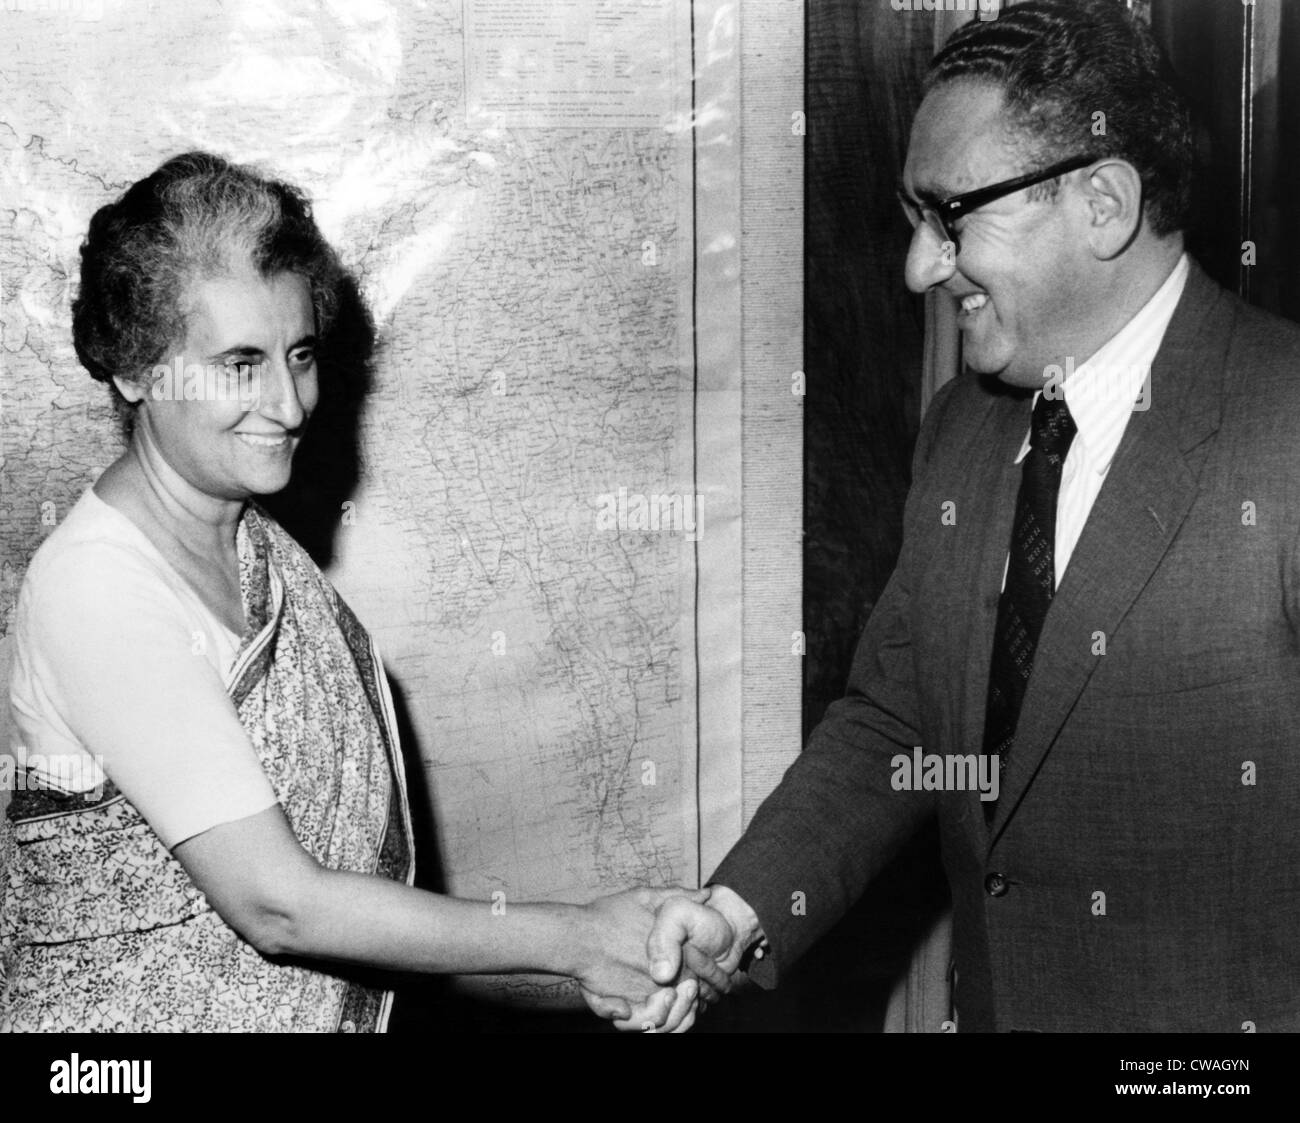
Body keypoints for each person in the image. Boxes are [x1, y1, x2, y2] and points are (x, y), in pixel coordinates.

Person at [645, 0, 1300, 1031]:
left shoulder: (1284, 429)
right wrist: (741, 909)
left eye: (951, 215)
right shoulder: (966, 428)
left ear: (1102, 202)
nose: (919, 267)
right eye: (914, 220)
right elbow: (900, 720)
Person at [0, 151, 729, 1032]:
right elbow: (278, 905)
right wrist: (577, 940)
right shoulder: (98, 589)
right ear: (135, 369)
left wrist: (618, 943)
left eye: (298, 354)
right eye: (240, 363)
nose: (289, 402)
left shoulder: (256, 544)